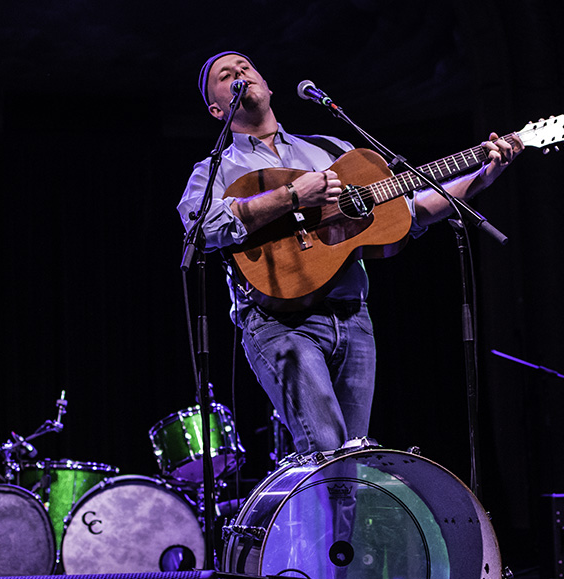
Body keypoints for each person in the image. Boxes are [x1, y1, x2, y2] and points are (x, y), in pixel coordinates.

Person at [177, 51, 521, 457]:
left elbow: (410, 213)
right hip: (279, 321)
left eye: (246, 67)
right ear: (217, 109)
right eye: (225, 75)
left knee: (352, 459)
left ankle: (339, 524)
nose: (239, 73)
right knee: (324, 449)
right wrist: (292, 196)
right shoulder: (216, 169)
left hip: (353, 318)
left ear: (267, 87)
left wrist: (483, 175)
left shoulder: (330, 150)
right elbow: (204, 228)